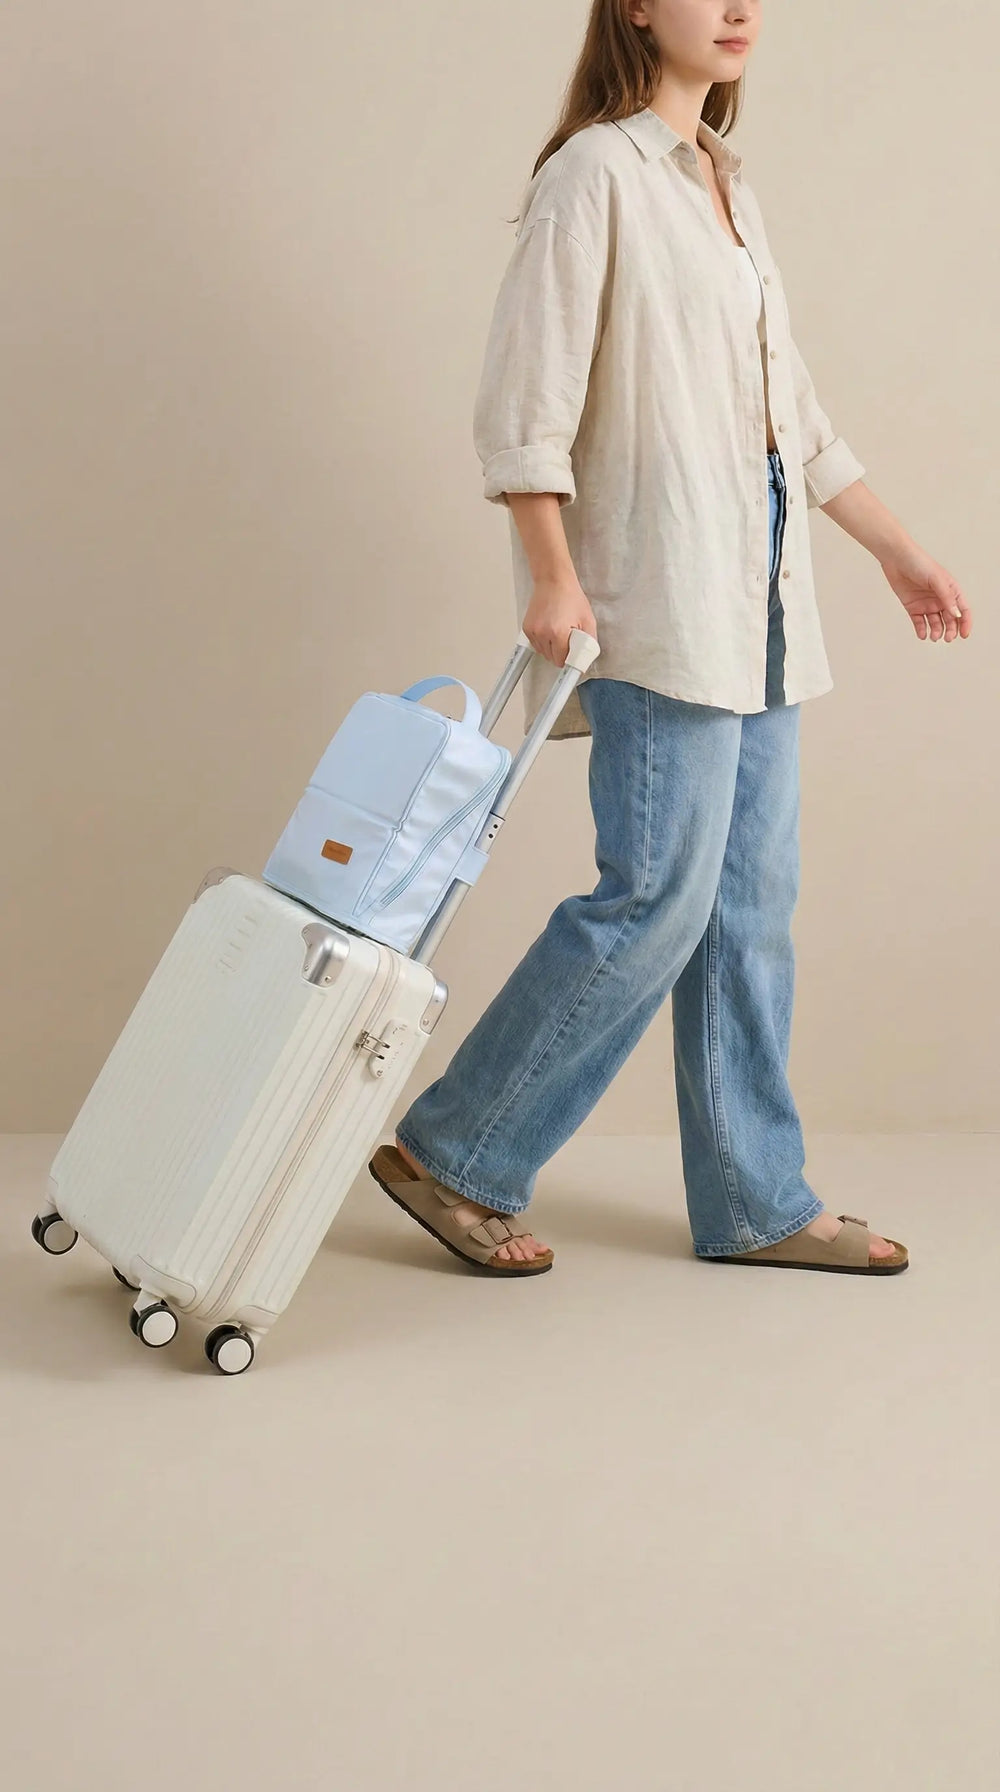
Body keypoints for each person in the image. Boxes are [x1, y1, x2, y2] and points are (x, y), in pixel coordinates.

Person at [369, 0, 971, 1277]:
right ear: (637, 3)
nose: (741, 7)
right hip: (658, 597)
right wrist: (549, 575)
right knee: (655, 895)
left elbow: (792, 418)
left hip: (758, 602)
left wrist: (896, 547)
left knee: (749, 907)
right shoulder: (594, 174)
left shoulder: (727, 186)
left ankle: (754, 1197)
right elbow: (525, 397)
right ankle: (454, 1149)